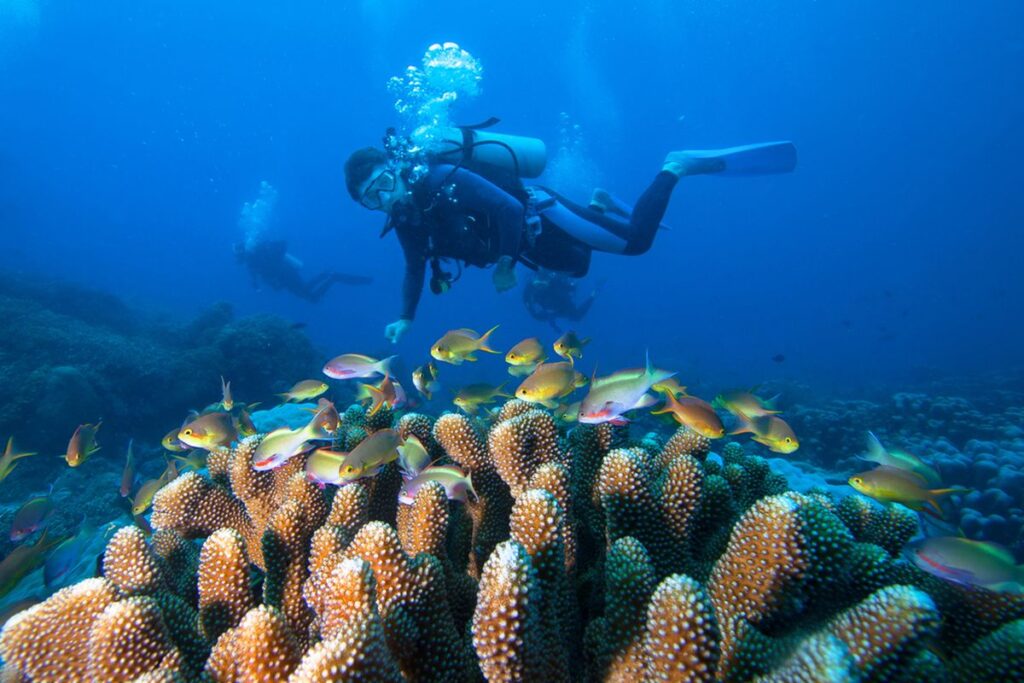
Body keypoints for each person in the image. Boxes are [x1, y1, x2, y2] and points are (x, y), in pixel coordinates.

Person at [344, 138, 796, 342]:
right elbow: (414, 266)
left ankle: (673, 166)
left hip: (540, 215)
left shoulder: (443, 178)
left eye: (384, 183)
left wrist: (503, 266)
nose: (384, 199)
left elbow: (508, 208)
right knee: (580, 266)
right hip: (526, 245)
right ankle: (598, 206)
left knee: (637, 243)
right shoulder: (406, 220)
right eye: (371, 199)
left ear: (396, 168)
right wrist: (406, 316)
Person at [234, 239, 372, 303]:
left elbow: (261, 275)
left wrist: (262, 284)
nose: (239, 259)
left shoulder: (254, 259)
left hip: (287, 274)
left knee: (311, 297)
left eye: (239, 256)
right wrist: (259, 286)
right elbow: (256, 279)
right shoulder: (252, 262)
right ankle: (327, 275)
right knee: (308, 293)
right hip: (286, 275)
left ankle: (331, 277)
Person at [523, 269, 599, 332]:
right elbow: (532, 310)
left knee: (577, 316)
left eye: (544, 280)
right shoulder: (529, 290)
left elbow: (571, 289)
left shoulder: (557, 284)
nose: (541, 285)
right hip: (550, 310)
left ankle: (594, 293)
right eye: (539, 281)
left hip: (561, 304)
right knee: (540, 316)